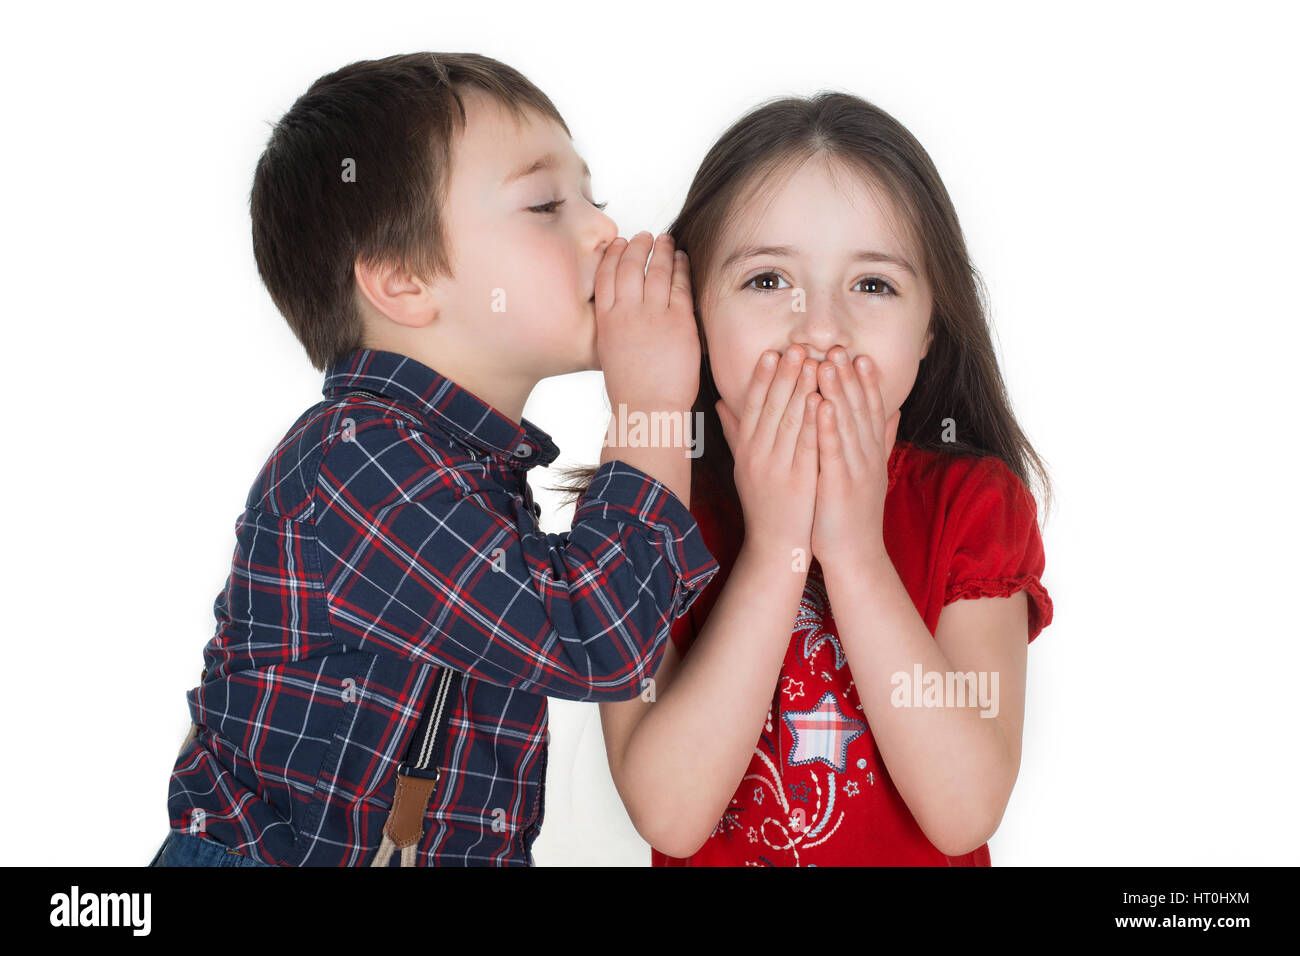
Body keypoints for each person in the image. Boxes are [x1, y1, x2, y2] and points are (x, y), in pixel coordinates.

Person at [150, 52, 717, 866]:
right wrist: (652, 407)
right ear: (404, 281)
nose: (603, 229)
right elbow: (600, 637)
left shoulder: (462, 468)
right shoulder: (354, 463)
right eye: (547, 205)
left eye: (592, 197)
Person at [553, 90, 1055, 865]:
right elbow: (670, 815)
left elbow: (965, 811)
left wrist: (853, 553)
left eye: (873, 285)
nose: (820, 329)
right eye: (765, 281)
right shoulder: (641, 510)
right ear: (694, 312)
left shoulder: (974, 506)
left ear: (929, 329)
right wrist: (778, 545)